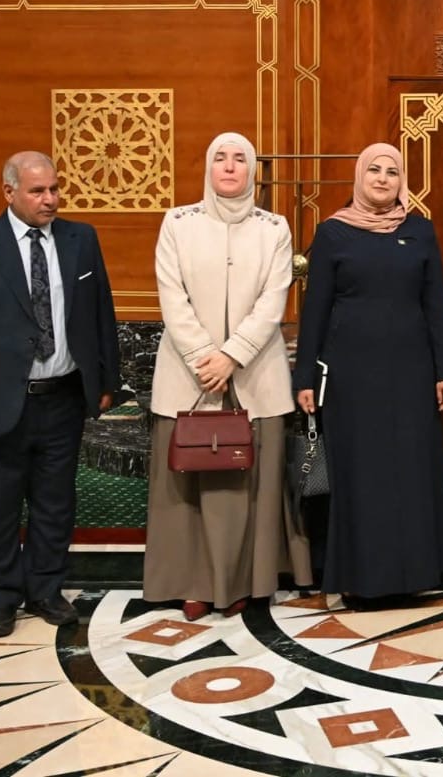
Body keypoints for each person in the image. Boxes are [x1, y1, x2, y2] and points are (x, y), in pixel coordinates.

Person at [0, 151, 120, 638]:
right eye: (38, 191)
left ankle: (46, 590)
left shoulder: (81, 239)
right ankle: (1, 598)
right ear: (9, 192)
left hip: (64, 397)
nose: (50, 199)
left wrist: (106, 382)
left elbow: (101, 314)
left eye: (54, 189)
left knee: (55, 501)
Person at [143, 132, 312, 621]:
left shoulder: (274, 228)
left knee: (247, 487)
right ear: (208, 168)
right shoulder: (177, 223)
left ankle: (247, 581)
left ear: (253, 170)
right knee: (188, 488)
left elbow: (273, 299)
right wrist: (204, 355)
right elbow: (170, 294)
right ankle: (191, 582)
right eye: (221, 157)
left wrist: (233, 356)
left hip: (256, 376)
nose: (231, 167)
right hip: (188, 377)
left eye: (241, 159)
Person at [293, 142, 443, 604]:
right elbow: (316, 311)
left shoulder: (420, 231)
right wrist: (305, 377)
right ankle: (358, 580)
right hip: (350, 376)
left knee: (408, 472)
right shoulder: (332, 233)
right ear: (359, 177)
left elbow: (436, 306)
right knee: (360, 476)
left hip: (411, 373)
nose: (383, 179)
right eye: (374, 171)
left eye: (392, 171)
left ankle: (413, 575)